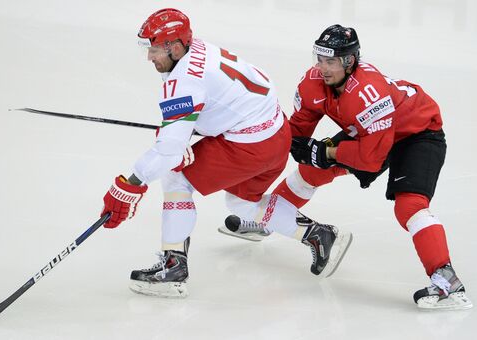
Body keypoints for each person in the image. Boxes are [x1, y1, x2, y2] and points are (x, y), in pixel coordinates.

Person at [100, 8, 348, 298]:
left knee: (176, 179)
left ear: (175, 47)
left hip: (248, 146)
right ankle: (319, 235)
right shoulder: (201, 49)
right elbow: (238, 93)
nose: (149, 57)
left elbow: (168, 150)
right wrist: (190, 129)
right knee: (241, 201)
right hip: (276, 134)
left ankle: (173, 268)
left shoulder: (184, 82)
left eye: (154, 49)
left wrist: (130, 184)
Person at [224, 24, 472, 310]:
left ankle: (447, 281)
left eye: (330, 61)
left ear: (349, 61)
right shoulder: (313, 82)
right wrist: (259, 135)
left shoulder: (368, 92)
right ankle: (269, 219)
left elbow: (370, 159)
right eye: (319, 59)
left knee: (410, 206)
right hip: (370, 132)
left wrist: (326, 151)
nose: (322, 68)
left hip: (417, 134)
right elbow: (298, 130)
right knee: (311, 171)